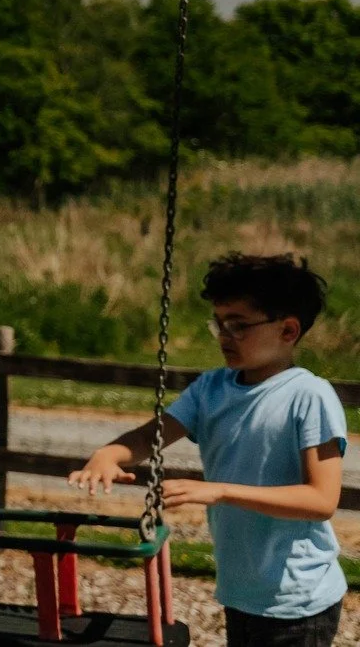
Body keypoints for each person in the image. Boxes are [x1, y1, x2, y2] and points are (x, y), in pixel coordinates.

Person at [70, 253, 347, 646]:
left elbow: (321, 500)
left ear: (288, 330)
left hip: (298, 598)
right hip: (241, 591)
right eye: (218, 323)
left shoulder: (309, 396)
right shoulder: (211, 389)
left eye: (238, 325)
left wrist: (218, 491)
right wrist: (109, 454)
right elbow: (149, 437)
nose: (223, 335)